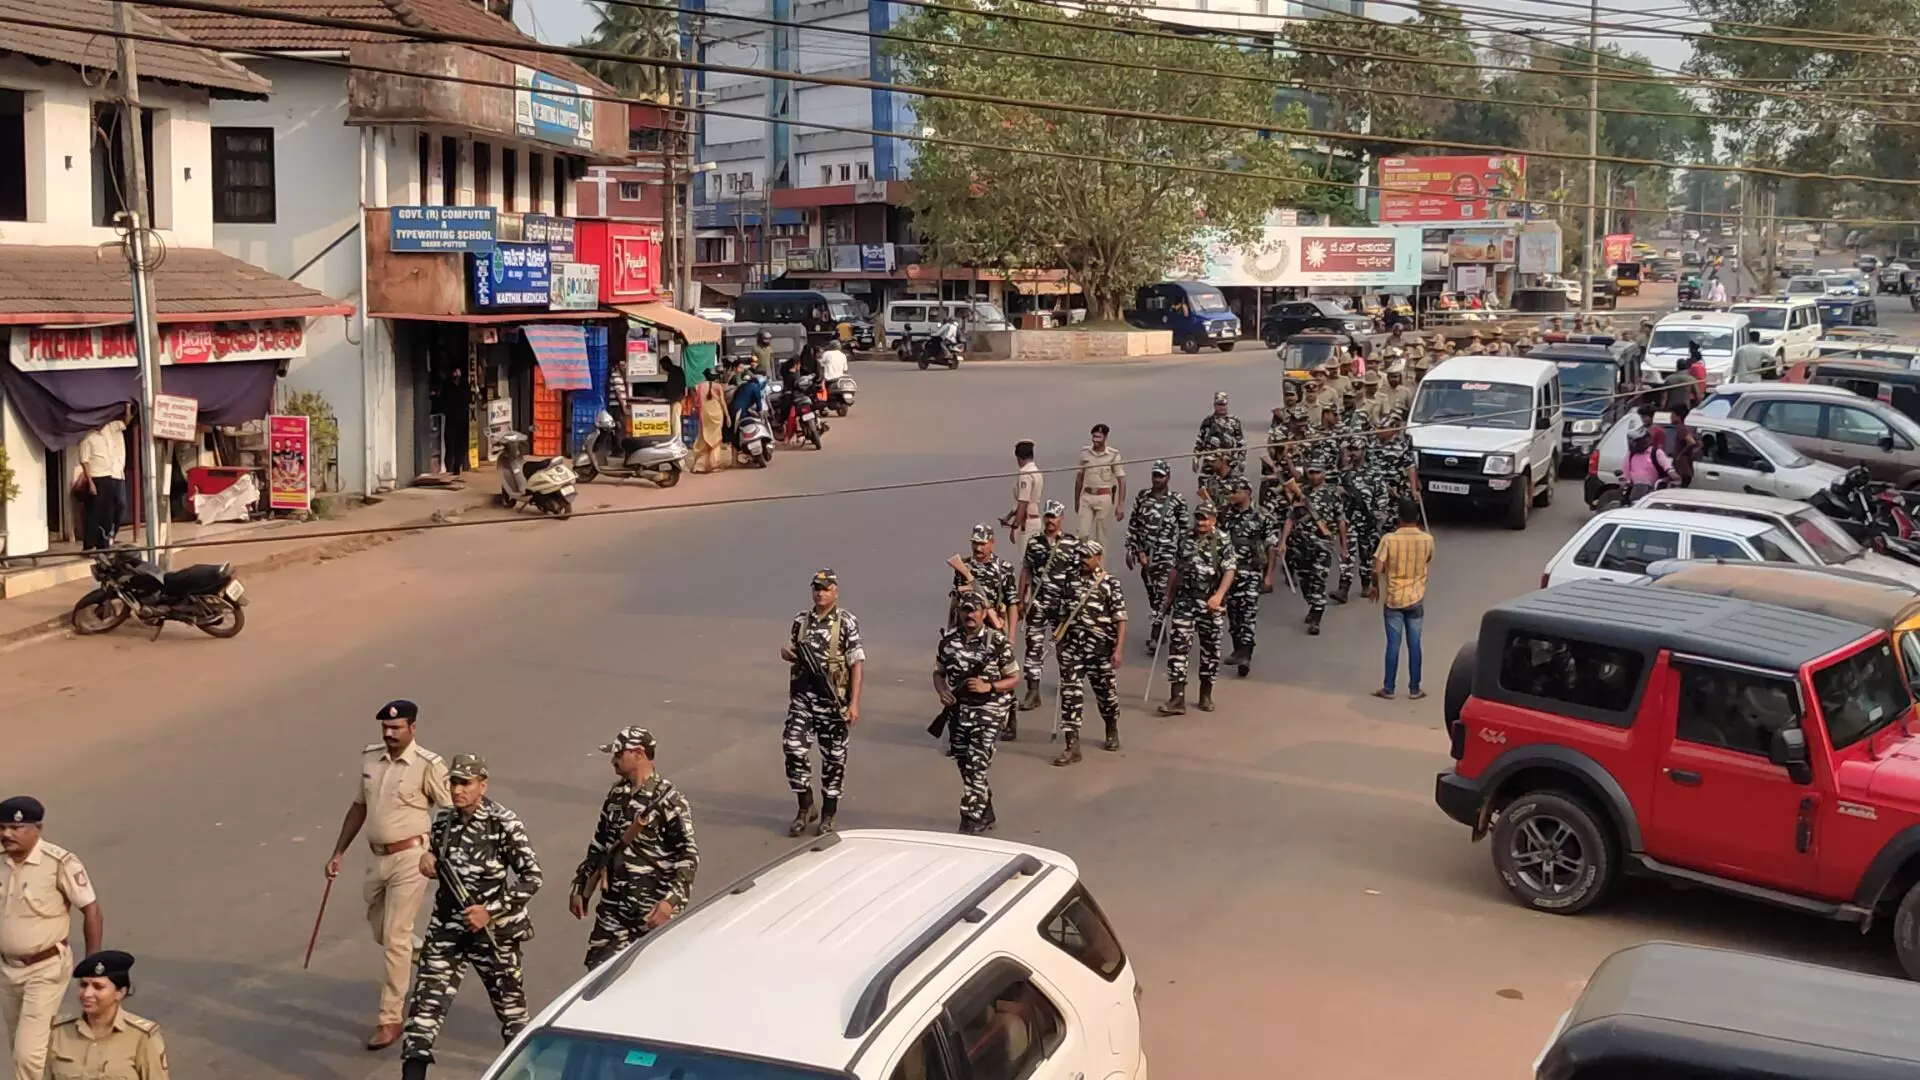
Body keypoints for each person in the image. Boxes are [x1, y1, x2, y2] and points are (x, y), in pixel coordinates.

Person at [399, 755, 542, 1080]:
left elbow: (533, 877)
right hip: (448, 930)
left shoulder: (503, 823)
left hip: (494, 935)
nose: (458, 790)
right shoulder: (444, 821)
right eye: (454, 782)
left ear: (482, 785)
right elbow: (438, 858)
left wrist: (489, 911)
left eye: (466, 783)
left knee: (513, 1017)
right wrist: (428, 862)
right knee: (422, 1016)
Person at [324, 701, 451, 1050]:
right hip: (377, 858)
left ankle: (390, 1018)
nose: (390, 733)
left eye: (397, 728)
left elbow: (450, 811)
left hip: (411, 857)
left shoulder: (428, 765)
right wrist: (338, 852)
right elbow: (359, 807)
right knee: (382, 929)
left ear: (412, 728)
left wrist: (435, 853)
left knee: (396, 936)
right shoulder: (370, 758)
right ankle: (431, 961)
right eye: (386, 728)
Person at [568, 727, 697, 969]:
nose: (613, 761)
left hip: (652, 910)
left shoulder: (669, 801)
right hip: (614, 908)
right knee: (599, 975)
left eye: (618, 754)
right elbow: (600, 844)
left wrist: (671, 901)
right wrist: (581, 887)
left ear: (638, 753)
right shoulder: (617, 795)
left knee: (654, 978)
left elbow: (688, 856)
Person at [1, 796, 102, 1080]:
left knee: (26, 1054)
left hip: (45, 969)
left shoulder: (60, 863)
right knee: (24, 1048)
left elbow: (91, 909)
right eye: (2, 827)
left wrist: (92, 967)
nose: (6, 834)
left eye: (14, 828)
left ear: (37, 829)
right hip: (8, 971)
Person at [781, 569, 865, 836]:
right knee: (793, 746)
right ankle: (805, 806)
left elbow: (856, 663)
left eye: (826, 588)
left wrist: (854, 703)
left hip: (833, 701)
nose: (820, 593)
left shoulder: (846, 622)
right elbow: (796, 651)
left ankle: (829, 813)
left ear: (835, 591)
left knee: (834, 759)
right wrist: (788, 655)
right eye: (817, 588)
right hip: (804, 699)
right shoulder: (801, 620)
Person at [932, 593, 1021, 834]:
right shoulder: (949, 641)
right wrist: (942, 692)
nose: (969, 615)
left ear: (983, 613)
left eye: (974, 611)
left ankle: (969, 820)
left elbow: (1014, 677)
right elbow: (938, 672)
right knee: (964, 764)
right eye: (965, 610)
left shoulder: (996, 642)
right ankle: (985, 808)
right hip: (959, 712)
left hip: (988, 711)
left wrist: (989, 686)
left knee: (976, 767)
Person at [1052, 540, 1128, 762]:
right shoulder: (1070, 581)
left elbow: (1120, 619)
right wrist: (1059, 642)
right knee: (1070, 695)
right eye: (1080, 556)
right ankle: (1072, 746)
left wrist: (1118, 650)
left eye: (1087, 557)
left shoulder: (1109, 584)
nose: (1082, 561)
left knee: (1106, 694)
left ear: (1098, 557)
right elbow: (1062, 615)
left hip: (1100, 650)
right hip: (1073, 649)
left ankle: (1111, 729)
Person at [1156, 502, 1235, 716]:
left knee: (1210, 651)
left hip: (1210, 602)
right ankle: (1177, 698)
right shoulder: (1185, 538)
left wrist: (1218, 596)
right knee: (1178, 650)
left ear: (1214, 520)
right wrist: (1167, 598)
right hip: (1185, 600)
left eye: (1206, 518)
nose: (1201, 522)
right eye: (1199, 517)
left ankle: (1206, 694)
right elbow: (1175, 568)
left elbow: (1229, 570)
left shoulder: (1222, 540)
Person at [44, 951, 166, 1080]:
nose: (87, 994)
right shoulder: (57, 1032)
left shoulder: (141, 1037)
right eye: (84, 985)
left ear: (120, 992)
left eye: (98, 987)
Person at [1016, 502, 1076, 721]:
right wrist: (1021, 598)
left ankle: (1068, 686)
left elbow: (1079, 575)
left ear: (1061, 519)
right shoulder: (1035, 543)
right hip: (1038, 604)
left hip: (1062, 606)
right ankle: (1033, 691)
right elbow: (1026, 570)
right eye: (1047, 517)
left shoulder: (1071, 544)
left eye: (1054, 517)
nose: (1050, 521)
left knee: (1064, 648)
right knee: (1033, 646)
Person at [1370, 500, 1434, 700]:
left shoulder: (1389, 540)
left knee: (1393, 645)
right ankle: (1415, 689)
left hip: (1393, 600)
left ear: (1398, 518)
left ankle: (1388, 688)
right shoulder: (1427, 540)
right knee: (1415, 645)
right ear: (1417, 518)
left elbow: (1376, 569)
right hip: (1416, 599)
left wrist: (1375, 586)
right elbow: (1428, 560)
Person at [1215, 477, 1277, 678]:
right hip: (1230, 573)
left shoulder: (1262, 517)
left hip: (1251, 572)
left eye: (1236, 491)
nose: (1231, 495)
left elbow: (1271, 546)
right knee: (1233, 613)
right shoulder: (1226, 515)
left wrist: (1268, 576)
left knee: (1247, 613)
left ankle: (1246, 654)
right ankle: (1237, 649)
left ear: (1247, 493)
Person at [1125, 460, 1186, 652]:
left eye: (1161, 476)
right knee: (1152, 593)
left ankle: (1156, 632)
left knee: (1162, 593)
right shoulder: (1143, 497)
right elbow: (1133, 524)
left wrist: (1183, 556)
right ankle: (1160, 625)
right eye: (1155, 476)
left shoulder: (1176, 500)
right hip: (1146, 555)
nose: (1157, 479)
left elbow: (1185, 530)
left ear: (1168, 477)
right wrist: (1134, 549)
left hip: (1167, 554)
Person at [1282, 463, 1346, 636]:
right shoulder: (1301, 493)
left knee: (1319, 580)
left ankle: (1316, 618)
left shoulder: (1333, 494)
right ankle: (1313, 604)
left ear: (1324, 474)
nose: (1314, 476)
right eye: (1311, 472)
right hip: (1301, 544)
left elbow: (1340, 521)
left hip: (1323, 544)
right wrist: (1283, 542)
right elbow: (1290, 519)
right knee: (1305, 580)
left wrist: (1343, 547)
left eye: (1318, 472)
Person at [949, 524, 1018, 637]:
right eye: (975, 543)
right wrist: (950, 627)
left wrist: (1011, 636)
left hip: (992, 629)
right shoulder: (963, 566)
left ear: (992, 543)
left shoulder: (1003, 569)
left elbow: (1012, 603)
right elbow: (955, 599)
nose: (978, 548)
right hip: (966, 627)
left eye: (982, 544)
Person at [75, 406, 128, 551]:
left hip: (108, 477)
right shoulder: (88, 439)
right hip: (96, 479)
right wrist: (90, 482)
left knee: (108, 513)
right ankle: (89, 545)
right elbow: (85, 461)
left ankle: (102, 544)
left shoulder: (106, 436)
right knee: (94, 514)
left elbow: (125, 423)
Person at [1074, 424, 1126, 551]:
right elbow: (1079, 478)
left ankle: (1099, 568)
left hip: (1104, 497)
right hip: (1087, 496)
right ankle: (1082, 566)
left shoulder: (1113, 455)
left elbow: (1121, 480)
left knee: (1101, 537)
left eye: (1099, 437)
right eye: (1094, 436)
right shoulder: (1085, 453)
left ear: (1105, 437)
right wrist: (1076, 500)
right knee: (1082, 535)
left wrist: (1120, 505)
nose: (1096, 440)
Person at [1193, 391, 1245, 476]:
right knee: (1205, 486)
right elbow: (1199, 442)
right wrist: (1196, 458)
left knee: (1230, 486)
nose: (1221, 407)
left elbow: (1241, 442)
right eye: (1219, 405)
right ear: (1214, 405)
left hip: (1229, 462)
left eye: (1223, 405)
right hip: (1210, 462)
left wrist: (1242, 460)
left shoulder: (1234, 421)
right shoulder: (1208, 422)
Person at [1002, 440, 1043, 548]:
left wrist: (1015, 526)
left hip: (1026, 523)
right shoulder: (1036, 471)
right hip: (1034, 519)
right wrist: (1008, 516)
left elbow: (1023, 502)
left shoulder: (1025, 474)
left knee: (1025, 559)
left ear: (1018, 457)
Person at [690, 368, 731, 474]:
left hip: (704, 414)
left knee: (703, 437)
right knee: (716, 438)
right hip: (717, 414)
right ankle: (714, 465)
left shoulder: (698, 386)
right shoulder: (718, 387)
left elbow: (695, 400)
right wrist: (727, 416)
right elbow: (722, 403)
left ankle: (700, 465)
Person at [1622, 431, 1679, 500]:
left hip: (1654, 490)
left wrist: (1673, 475)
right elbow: (1626, 471)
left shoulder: (1656, 453)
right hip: (1635, 489)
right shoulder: (1630, 455)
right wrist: (1625, 481)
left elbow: (1667, 466)